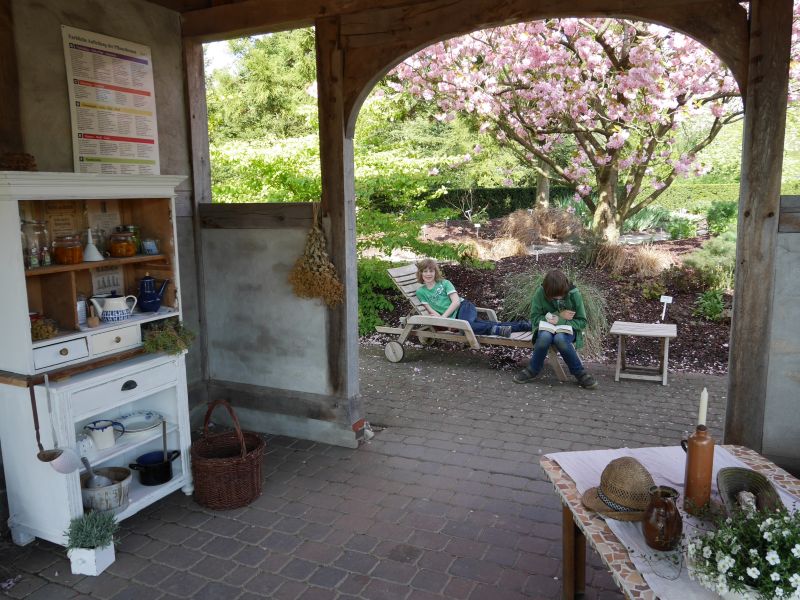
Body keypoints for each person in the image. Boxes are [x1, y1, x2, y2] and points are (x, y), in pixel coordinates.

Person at [513, 269, 598, 389]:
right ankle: (533, 369)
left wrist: (560, 321)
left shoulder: (574, 294)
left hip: (567, 331)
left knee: (560, 339)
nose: (558, 298)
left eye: (561, 296)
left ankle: (580, 373)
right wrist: (558, 315)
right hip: (546, 328)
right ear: (547, 291)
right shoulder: (540, 292)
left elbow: (582, 322)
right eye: (554, 297)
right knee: (544, 337)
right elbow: (535, 318)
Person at [415, 258, 530, 337]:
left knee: (466, 328)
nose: (428, 274)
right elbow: (431, 311)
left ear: (435, 272)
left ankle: (500, 329)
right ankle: (524, 325)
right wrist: (446, 323)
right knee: (481, 325)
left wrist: (446, 319)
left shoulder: (444, 283)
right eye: (425, 271)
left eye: (431, 271)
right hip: (453, 318)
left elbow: (455, 302)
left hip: (464, 307)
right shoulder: (421, 292)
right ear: (420, 273)